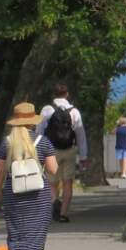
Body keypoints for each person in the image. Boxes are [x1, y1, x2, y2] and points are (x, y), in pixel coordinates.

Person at [0, 103, 58, 250]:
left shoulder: (6, 142)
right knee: (37, 234)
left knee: (16, 231)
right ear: (32, 122)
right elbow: (53, 170)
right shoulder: (43, 141)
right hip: (39, 194)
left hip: (13, 192)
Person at [36, 83, 87, 222]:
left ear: (53, 94)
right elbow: (81, 135)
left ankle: (54, 200)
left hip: (51, 150)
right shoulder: (74, 111)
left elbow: (39, 131)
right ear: (67, 94)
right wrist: (83, 156)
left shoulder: (47, 110)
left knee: (52, 183)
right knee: (68, 183)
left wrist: (38, 150)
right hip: (70, 150)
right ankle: (64, 214)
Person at [114, 116, 126, 180]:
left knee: (121, 160)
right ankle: (124, 173)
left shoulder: (117, 128)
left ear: (120, 122)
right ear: (125, 122)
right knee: (125, 159)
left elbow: (112, 132)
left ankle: (122, 173)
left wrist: (117, 124)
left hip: (119, 146)